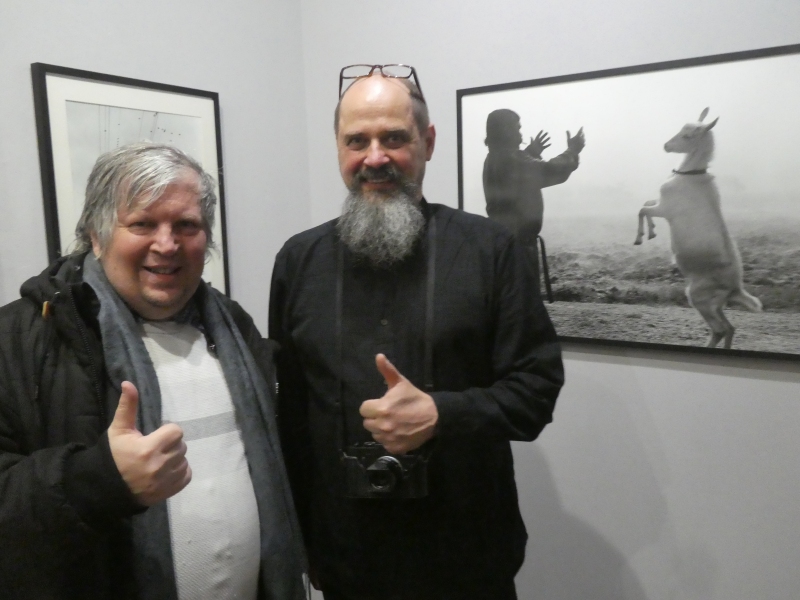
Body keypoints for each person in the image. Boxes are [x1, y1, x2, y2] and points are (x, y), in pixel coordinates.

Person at [269, 66, 564, 600]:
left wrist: (441, 414)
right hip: (345, 562)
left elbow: (536, 392)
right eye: (356, 141)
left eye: (394, 138)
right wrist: (299, 539)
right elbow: (291, 414)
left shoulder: (490, 251)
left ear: (427, 142)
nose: (374, 157)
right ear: (338, 147)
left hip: (467, 561)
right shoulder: (298, 260)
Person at [0, 142, 306, 599]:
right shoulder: (21, 338)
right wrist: (96, 480)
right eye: (143, 224)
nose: (167, 244)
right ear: (97, 235)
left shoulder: (236, 329)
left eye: (186, 225)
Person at [482, 108, 585, 285]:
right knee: (523, 298)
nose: (520, 133)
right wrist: (573, 150)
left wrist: (532, 152)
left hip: (505, 246)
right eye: (517, 128)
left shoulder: (494, 158)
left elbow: (522, 174)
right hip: (518, 249)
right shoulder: (511, 159)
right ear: (506, 131)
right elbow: (550, 170)